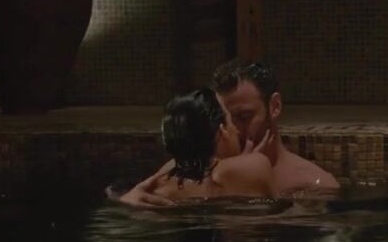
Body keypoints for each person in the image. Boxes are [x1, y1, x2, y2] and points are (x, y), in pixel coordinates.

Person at [116, 59, 339, 206]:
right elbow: (135, 198)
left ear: (275, 107)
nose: (233, 128)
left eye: (244, 117)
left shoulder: (313, 183)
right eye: (225, 119)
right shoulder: (191, 167)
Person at [113, 88, 275, 205]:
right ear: (222, 130)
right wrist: (249, 161)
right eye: (230, 120)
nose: (237, 130)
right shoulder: (257, 165)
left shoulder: (162, 185)